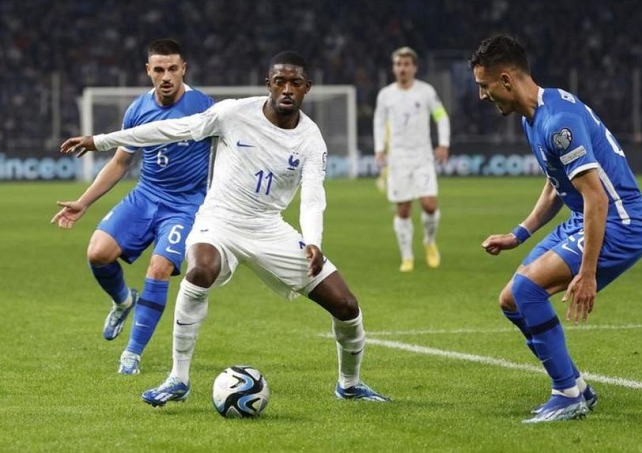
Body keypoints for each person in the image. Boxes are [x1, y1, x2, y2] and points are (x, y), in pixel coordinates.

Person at [59, 51, 390, 405]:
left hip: (268, 228)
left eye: (295, 82)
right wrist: (102, 140)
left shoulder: (311, 139)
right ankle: (177, 379)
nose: (287, 89)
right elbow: (171, 129)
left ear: (307, 88)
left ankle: (349, 385)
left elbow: (312, 197)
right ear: (269, 84)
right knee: (200, 269)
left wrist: (313, 241)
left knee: (346, 305)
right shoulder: (234, 114)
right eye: (280, 81)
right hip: (218, 220)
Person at [469, 34, 642, 423]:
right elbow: (557, 182)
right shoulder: (535, 114)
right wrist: (518, 233)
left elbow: (597, 198)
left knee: (526, 288)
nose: (483, 96)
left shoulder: (558, 123)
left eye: (484, 87)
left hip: (620, 222)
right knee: (512, 299)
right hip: (585, 217)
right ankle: (577, 387)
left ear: (506, 80)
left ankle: (567, 392)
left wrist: (587, 273)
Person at [51, 39, 214, 375]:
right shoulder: (138, 110)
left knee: (159, 269)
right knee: (97, 253)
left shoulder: (204, 106)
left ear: (184, 68)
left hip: (185, 206)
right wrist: (83, 202)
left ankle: (132, 354)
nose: (166, 76)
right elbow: (121, 162)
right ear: (148, 71)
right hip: (146, 196)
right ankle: (124, 300)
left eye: (172, 68)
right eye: (159, 69)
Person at [373, 46, 450, 272]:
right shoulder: (386, 95)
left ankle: (429, 241)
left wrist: (443, 143)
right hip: (397, 159)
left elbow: (441, 116)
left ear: (414, 67)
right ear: (394, 68)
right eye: (398, 64)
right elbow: (378, 123)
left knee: (429, 204)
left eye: (406, 64)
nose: (402, 68)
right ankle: (407, 256)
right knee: (403, 209)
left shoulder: (426, 92)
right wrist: (379, 149)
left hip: (423, 157)